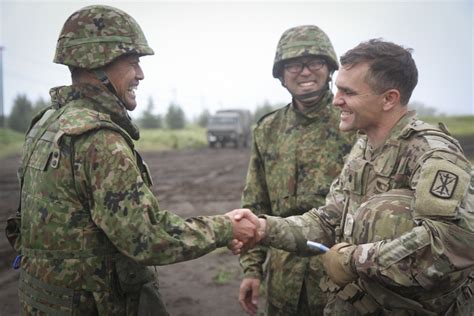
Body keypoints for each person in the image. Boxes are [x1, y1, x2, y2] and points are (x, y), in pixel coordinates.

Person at [4, 5, 259, 315]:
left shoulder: (46, 124)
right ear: (97, 63)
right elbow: (146, 237)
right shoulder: (98, 139)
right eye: (133, 62)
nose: (140, 74)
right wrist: (225, 228)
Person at [234, 39, 474, 315]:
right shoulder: (363, 148)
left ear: (389, 99)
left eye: (348, 92)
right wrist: (264, 228)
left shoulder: (433, 154)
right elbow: (328, 219)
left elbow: (451, 242)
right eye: (338, 90)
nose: (336, 101)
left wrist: (353, 260)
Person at [238, 25, 354, 316]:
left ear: (329, 69)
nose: (304, 71)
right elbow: (256, 203)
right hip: (283, 282)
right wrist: (252, 270)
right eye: (293, 64)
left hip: (344, 278)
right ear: (281, 74)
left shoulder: (355, 124)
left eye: (314, 62)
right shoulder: (268, 129)